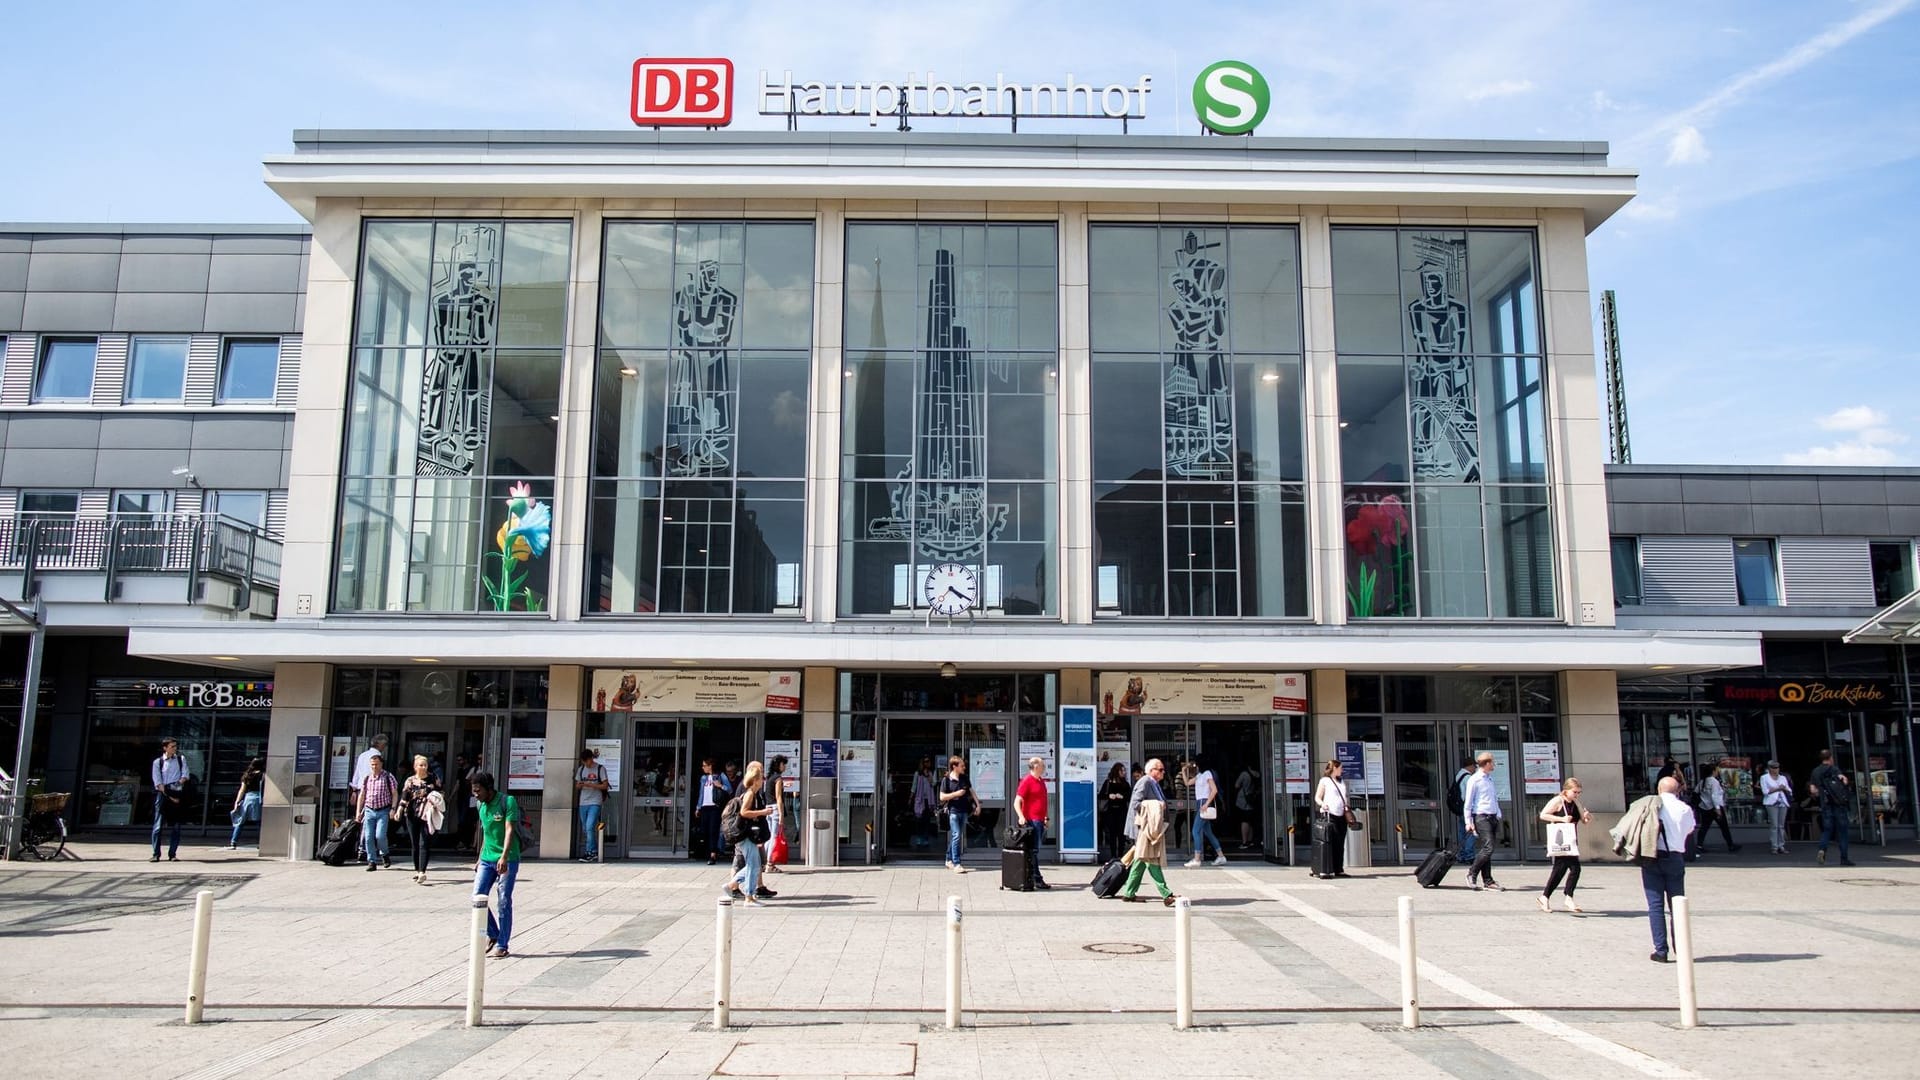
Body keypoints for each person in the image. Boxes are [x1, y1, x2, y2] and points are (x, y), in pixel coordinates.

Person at [469, 771, 521, 958]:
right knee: (477, 896)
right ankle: (493, 933)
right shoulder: (480, 805)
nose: (476, 794)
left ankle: (502, 943)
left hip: (507, 857)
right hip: (486, 858)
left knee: (504, 900)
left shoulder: (508, 802)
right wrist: (479, 858)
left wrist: (504, 857)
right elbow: (486, 834)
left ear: (488, 789)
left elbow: (509, 831)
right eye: (474, 791)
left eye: (478, 790)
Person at [1644, 776, 1695, 962]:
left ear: (1659, 789)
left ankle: (1660, 950)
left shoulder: (1650, 805)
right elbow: (1690, 829)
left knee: (1655, 905)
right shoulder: (1684, 808)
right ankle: (1681, 949)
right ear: (1677, 791)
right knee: (1677, 905)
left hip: (1652, 856)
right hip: (1675, 857)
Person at [1118, 765, 1178, 906]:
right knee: (1151, 860)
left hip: (1150, 829)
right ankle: (1166, 894)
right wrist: (1157, 805)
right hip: (1145, 830)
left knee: (1140, 861)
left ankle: (1129, 893)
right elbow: (1136, 804)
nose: (1163, 771)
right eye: (1160, 769)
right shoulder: (1145, 781)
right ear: (1152, 770)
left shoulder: (1154, 783)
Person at [1537, 776, 1592, 913]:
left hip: (1571, 840)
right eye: (1574, 792)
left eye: (1579, 792)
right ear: (1566, 790)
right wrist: (1561, 818)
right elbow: (1543, 815)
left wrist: (1587, 816)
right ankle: (1568, 897)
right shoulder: (1558, 801)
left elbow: (1583, 821)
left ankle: (1545, 897)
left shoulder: (1576, 803)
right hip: (1561, 839)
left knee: (1560, 871)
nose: (1577, 795)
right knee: (1573, 868)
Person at [723, 761, 775, 904]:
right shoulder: (750, 793)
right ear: (756, 780)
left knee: (754, 864)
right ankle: (749, 897)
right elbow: (744, 812)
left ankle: (732, 885)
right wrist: (763, 812)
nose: (763, 779)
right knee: (753, 865)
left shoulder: (754, 793)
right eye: (761, 776)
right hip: (745, 834)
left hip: (748, 834)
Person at [1463, 751, 1504, 890]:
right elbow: (1468, 803)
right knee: (1488, 847)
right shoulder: (1474, 780)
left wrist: (1497, 813)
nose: (1494, 765)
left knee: (1487, 849)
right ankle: (1471, 873)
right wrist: (1468, 822)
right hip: (1481, 817)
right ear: (1486, 764)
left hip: (1492, 816)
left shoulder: (1489, 779)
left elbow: (1493, 798)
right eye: (1492, 762)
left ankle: (1488, 880)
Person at [398, 754, 441, 884]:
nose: (423, 767)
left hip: (427, 815)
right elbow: (404, 796)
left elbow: (440, 793)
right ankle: (417, 870)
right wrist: (399, 810)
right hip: (412, 814)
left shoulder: (433, 778)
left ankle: (422, 871)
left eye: (425, 765)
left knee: (424, 843)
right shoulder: (410, 780)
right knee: (415, 844)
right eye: (420, 765)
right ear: (415, 766)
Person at [1809, 749, 1856, 867]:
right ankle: (1844, 858)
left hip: (1826, 804)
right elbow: (1844, 780)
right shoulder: (1834, 769)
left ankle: (1822, 850)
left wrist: (1820, 794)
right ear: (1830, 758)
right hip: (1839, 804)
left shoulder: (1816, 771)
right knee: (1843, 831)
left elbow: (1813, 790)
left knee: (1827, 830)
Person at [356, 750, 401, 871]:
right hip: (369, 810)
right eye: (372, 765)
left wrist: (393, 808)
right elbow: (362, 795)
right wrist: (358, 813)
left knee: (380, 835)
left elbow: (395, 793)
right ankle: (372, 861)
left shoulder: (388, 776)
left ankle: (384, 853)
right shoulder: (367, 778)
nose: (374, 767)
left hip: (383, 810)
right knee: (368, 836)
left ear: (381, 764)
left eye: (376, 764)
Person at [1013, 756, 1051, 890]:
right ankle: (1037, 879)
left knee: (1034, 851)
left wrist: (1046, 817)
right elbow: (1017, 801)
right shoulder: (1027, 781)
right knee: (1033, 851)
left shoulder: (1041, 781)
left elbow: (1043, 801)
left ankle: (1033, 877)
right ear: (1035, 766)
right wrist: (1021, 816)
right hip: (1032, 821)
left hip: (1039, 821)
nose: (1044, 767)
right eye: (1042, 765)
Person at [150, 738, 190, 862]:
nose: (174, 748)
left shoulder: (180, 759)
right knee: (158, 826)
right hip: (164, 794)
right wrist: (170, 795)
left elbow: (185, 775)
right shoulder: (158, 762)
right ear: (165, 748)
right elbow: (158, 783)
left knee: (176, 827)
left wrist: (177, 787)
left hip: (176, 790)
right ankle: (156, 853)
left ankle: (172, 853)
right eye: (172, 746)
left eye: (175, 746)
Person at [938, 755, 978, 873]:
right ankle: (957, 863)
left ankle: (948, 859)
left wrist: (978, 804)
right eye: (961, 766)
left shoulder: (964, 778)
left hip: (964, 810)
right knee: (956, 835)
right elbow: (942, 797)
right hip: (953, 812)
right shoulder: (946, 780)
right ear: (954, 767)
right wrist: (956, 794)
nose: (964, 767)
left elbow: (971, 791)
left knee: (958, 835)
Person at [1312, 759, 1351, 879]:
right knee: (1331, 841)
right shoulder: (1325, 781)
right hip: (1329, 814)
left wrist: (1346, 807)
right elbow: (1317, 797)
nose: (1342, 770)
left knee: (1340, 842)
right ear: (1334, 768)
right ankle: (1328, 867)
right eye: (1340, 768)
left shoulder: (1341, 781)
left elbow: (1344, 796)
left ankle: (1339, 868)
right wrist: (1322, 804)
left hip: (1341, 815)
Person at [1186, 756, 1227, 868]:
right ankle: (1221, 856)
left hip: (1204, 803)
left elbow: (1214, 790)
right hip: (1201, 803)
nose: (1195, 765)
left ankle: (1197, 858)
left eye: (1196, 763)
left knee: (1195, 831)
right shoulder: (1199, 775)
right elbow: (1187, 783)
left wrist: (1207, 803)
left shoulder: (1207, 774)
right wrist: (1184, 770)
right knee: (1208, 832)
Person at [1691, 762, 1739, 856]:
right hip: (1714, 807)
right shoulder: (1714, 781)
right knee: (1724, 827)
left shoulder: (1702, 781)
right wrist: (1717, 809)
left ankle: (1699, 845)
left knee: (1704, 827)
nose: (1718, 772)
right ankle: (1730, 845)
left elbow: (1696, 792)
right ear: (1713, 771)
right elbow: (1714, 796)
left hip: (1705, 807)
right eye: (1717, 770)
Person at [575, 748, 608, 862]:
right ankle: (592, 851)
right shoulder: (581, 769)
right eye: (584, 762)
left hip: (595, 801)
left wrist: (592, 785)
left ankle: (591, 851)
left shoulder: (600, 768)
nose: (586, 764)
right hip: (583, 802)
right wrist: (580, 785)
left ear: (591, 759)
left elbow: (605, 786)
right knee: (586, 828)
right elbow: (577, 786)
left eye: (587, 761)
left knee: (589, 827)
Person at [695, 758, 730, 865]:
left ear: (710, 766)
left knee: (713, 830)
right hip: (705, 806)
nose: (703, 768)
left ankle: (713, 854)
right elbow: (701, 793)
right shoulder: (703, 778)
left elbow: (729, 789)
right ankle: (707, 851)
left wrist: (720, 785)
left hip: (715, 806)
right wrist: (698, 807)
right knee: (704, 830)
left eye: (705, 765)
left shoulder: (720, 776)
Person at [228, 756, 264, 849]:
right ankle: (261, 842)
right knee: (259, 822)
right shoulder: (263, 775)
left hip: (248, 798)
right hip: (258, 798)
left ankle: (233, 841)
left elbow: (242, 790)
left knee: (240, 821)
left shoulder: (247, 775)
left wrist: (237, 801)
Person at [1099, 763, 1132, 861]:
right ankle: (1113, 855)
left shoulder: (1125, 783)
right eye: (1122, 771)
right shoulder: (1108, 782)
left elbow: (1130, 796)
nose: (1124, 773)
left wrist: (1122, 796)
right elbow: (1101, 795)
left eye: (1124, 771)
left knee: (1121, 834)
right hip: (1111, 811)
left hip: (1122, 811)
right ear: (1116, 771)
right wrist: (1109, 796)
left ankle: (1121, 855)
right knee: (1112, 834)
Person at [1759, 760, 1793, 855]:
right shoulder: (1764, 778)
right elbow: (1765, 791)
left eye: (1777, 768)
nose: (1775, 770)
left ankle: (1781, 846)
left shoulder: (1782, 778)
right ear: (1769, 768)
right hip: (1771, 802)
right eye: (1773, 768)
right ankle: (1774, 846)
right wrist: (1778, 788)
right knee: (1774, 825)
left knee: (1781, 825)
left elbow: (1789, 790)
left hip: (1782, 802)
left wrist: (1784, 788)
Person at [763, 755, 789, 873]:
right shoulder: (778, 779)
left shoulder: (769, 778)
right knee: (774, 836)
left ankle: (764, 861)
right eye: (783, 764)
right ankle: (769, 863)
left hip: (768, 808)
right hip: (775, 809)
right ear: (778, 765)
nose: (784, 767)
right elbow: (779, 798)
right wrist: (781, 814)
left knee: (769, 837)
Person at [1451, 760, 1478, 862]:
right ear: (1470, 765)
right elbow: (1468, 795)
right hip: (1467, 808)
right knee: (1471, 832)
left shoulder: (1459, 775)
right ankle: (1469, 855)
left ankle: (1462, 855)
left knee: (1463, 831)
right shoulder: (1468, 777)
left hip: (1461, 808)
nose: (1475, 769)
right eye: (1474, 766)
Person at [910, 757, 938, 851]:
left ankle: (925, 838)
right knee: (919, 820)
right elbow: (914, 787)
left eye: (928, 761)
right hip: (919, 799)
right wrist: (911, 798)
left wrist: (929, 777)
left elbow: (933, 784)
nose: (928, 763)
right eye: (926, 762)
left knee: (927, 820)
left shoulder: (931, 773)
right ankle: (919, 838)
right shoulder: (917, 774)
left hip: (928, 800)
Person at [1234, 763, 1259, 851]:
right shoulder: (1258, 774)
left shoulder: (1244, 774)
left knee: (1245, 820)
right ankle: (1250, 840)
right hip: (1254, 799)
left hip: (1244, 800)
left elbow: (1236, 785)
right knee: (1250, 821)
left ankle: (1245, 842)